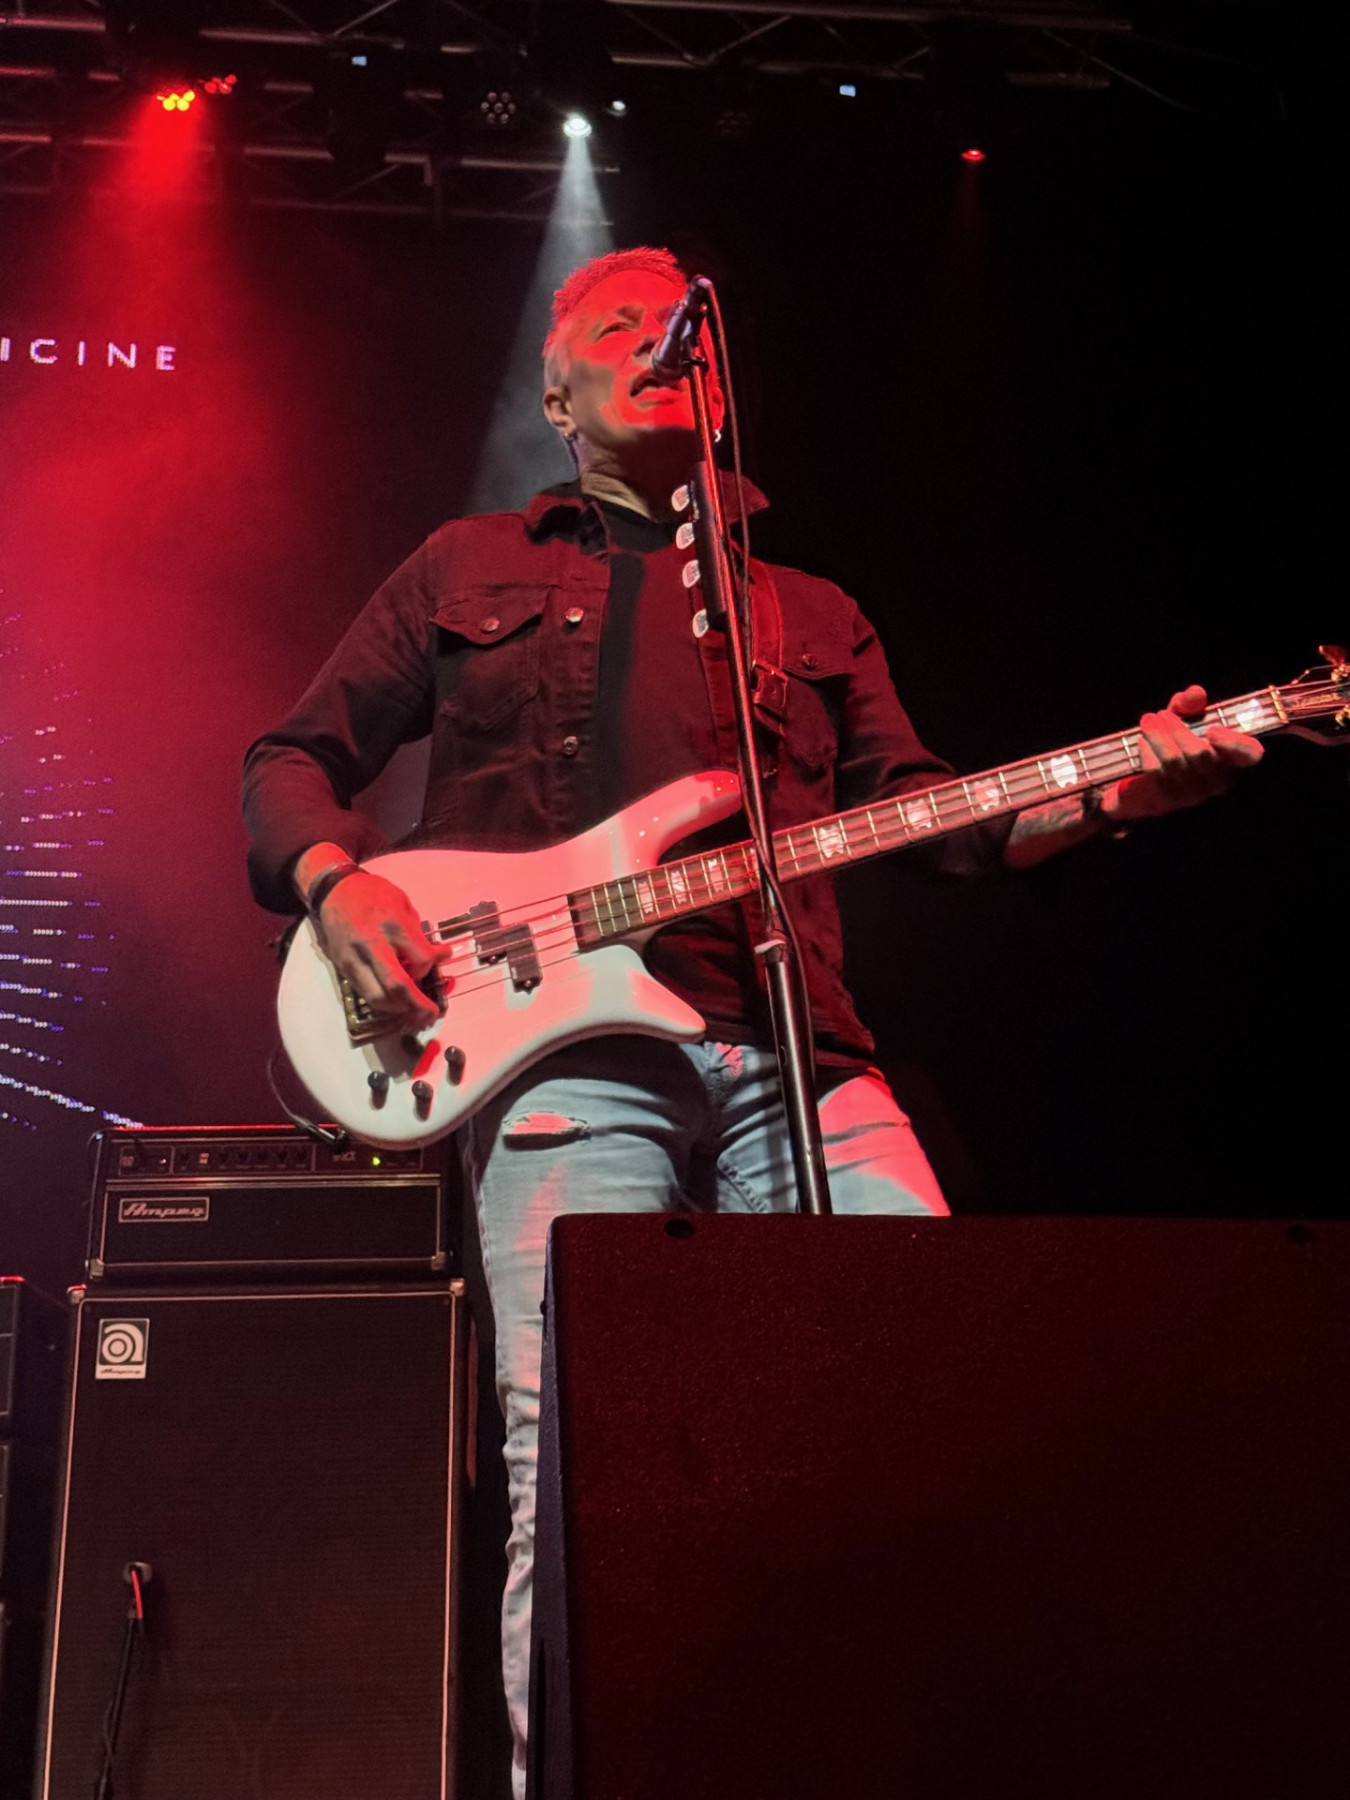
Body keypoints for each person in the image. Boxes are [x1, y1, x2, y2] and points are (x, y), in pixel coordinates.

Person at [242, 245, 1261, 1795]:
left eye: (682, 330)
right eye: (617, 325)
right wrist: (338, 881)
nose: (661, 341)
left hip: (803, 1057)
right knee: (581, 1452)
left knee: (939, 1387)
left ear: (721, 390)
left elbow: (941, 822)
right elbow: (290, 759)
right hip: (567, 1058)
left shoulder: (807, 611)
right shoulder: (467, 565)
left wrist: (1115, 795)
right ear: (557, 388)